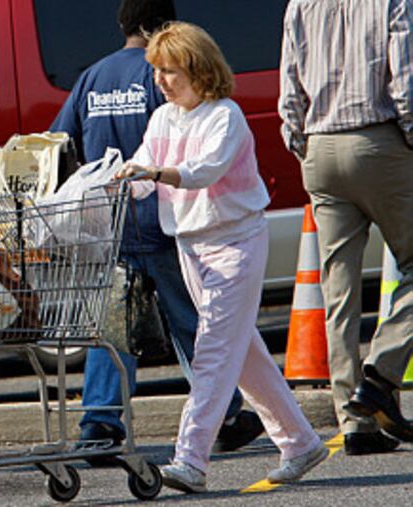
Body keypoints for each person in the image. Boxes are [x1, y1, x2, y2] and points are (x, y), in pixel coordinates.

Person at [49, 0, 264, 464]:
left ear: (122, 24)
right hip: (168, 224)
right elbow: (185, 146)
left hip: (113, 226)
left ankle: (100, 422)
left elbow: (60, 144)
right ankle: (225, 414)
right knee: (195, 326)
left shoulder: (91, 78)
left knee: (114, 327)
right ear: (164, 25)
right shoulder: (162, 75)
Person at [118, 21, 327, 492]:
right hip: (191, 245)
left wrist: (153, 171)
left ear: (199, 70)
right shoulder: (163, 119)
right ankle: (300, 442)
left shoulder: (225, 116)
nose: (161, 81)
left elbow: (203, 170)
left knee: (213, 351)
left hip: (235, 243)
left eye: (171, 71)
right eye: (157, 71)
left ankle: (190, 459)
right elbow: (144, 173)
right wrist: (121, 177)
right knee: (243, 353)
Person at [279, 0, 413, 449]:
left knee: (339, 289)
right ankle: (379, 377)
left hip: (319, 148)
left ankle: (353, 423)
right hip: (378, 139)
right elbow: (406, 83)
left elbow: (289, 90)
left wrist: (302, 144)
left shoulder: (301, 4)